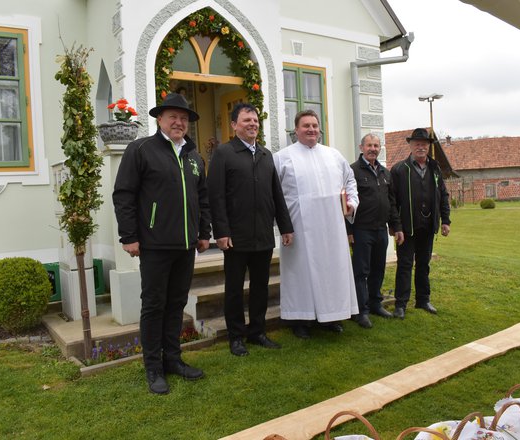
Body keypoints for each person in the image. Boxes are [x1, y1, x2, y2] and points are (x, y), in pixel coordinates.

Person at [113, 93, 210, 394]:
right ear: (160, 119)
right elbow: (124, 195)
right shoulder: (140, 149)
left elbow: (202, 199)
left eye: (184, 118)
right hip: (154, 245)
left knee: (176, 304)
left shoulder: (194, 158)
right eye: (173, 117)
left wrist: (203, 232)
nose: (179, 122)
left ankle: (174, 360)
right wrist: (129, 236)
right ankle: (153, 367)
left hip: (185, 246)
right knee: (154, 306)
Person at [207, 103, 294, 357]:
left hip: (263, 235)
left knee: (260, 286)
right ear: (234, 125)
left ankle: (257, 332)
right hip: (235, 237)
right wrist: (221, 232)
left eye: (255, 120)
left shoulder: (266, 155)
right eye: (246, 120)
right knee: (234, 288)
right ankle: (236, 337)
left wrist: (285, 227)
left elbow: (277, 195)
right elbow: (216, 196)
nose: (252, 124)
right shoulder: (223, 153)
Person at [273, 109, 359, 339]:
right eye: (306, 126)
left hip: (332, 227)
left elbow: (350, 181)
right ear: (296, 130)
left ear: (320, 129)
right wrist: (282, 226)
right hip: (299, 228)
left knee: (332, 270)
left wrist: (351, 204)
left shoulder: (334, 155)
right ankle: (301, 319)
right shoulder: (282, 157)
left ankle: (332, 316)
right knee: (300, 273)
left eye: (314, 125)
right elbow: (274, 193)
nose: (311, 129)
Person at [390, 128, 451, 319]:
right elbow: (392, 201)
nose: (421, 147)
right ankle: (401, 304)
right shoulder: (399, 169)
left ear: (429, 147)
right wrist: (396, 226)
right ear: (410, 145)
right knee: (405, 265)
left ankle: (423, 300)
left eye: (424, 144)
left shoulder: (435, 169)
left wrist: (445, 220)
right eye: (417, 144)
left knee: (423, 264)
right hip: (407, 229)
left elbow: (443, 195)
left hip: (428, 226)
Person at [347, 133, 404, 328]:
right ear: (361, 147)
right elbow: (345, 204)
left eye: (376, 145)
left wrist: (396, 227)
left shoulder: (385, 173)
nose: (373, 149)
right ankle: (360, 311)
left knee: (378, 268)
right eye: (369, 145)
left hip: (381, 229)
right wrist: (349, 230)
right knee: (361, 271)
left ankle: (375, 304)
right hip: (361, 229)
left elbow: (392, 202)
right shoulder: (352, 171)